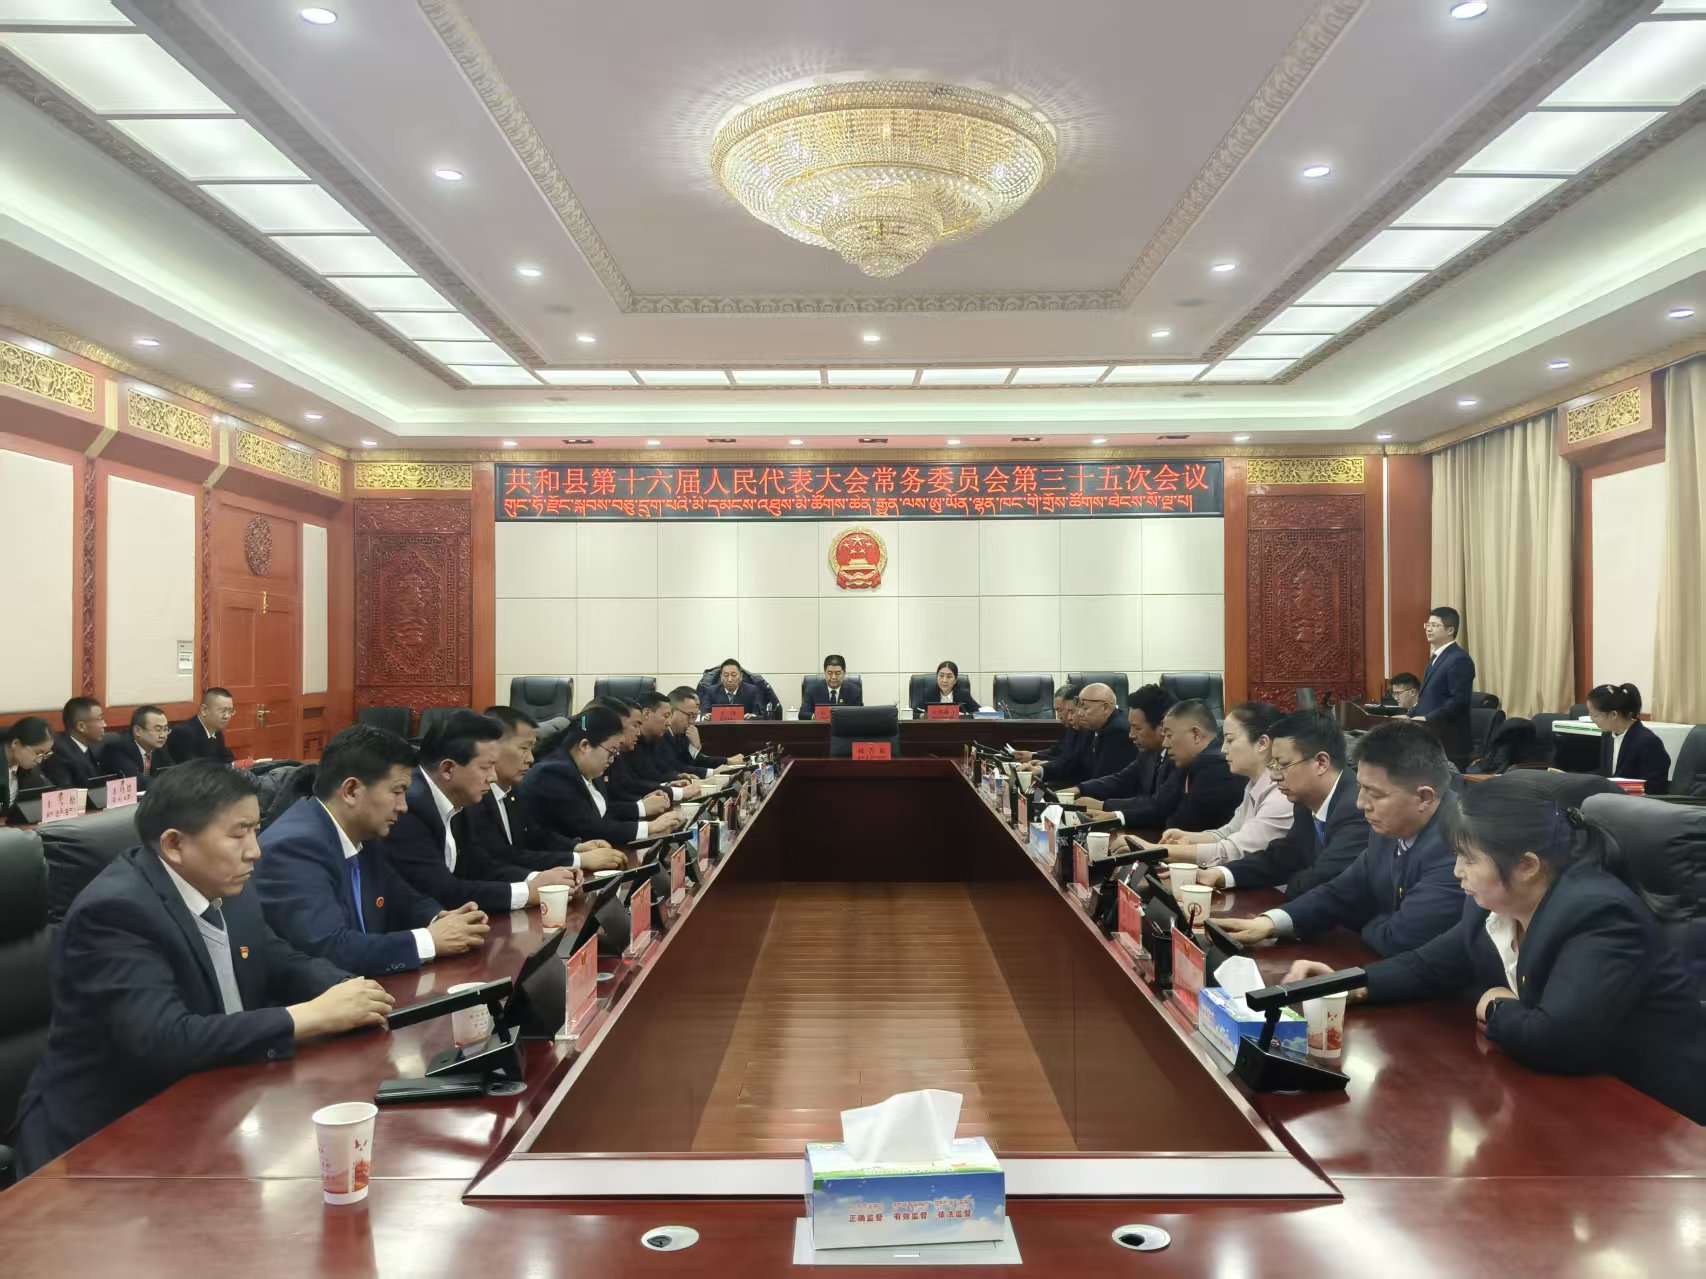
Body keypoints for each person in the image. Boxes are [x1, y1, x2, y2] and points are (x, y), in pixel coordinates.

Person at [10, 764, 393, 1177]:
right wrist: (308, 1016)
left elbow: (277, 958)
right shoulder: (115, 913)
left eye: (256, 830)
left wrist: (349, 992)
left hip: (213, 1105)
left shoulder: (227, 884)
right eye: (238, 835)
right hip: (102, 1142)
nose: (255, 850)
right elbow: (164, 1039)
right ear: (174, 844)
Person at [1283, 772, 1706, 1124]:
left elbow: (1557, 1040)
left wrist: (1495, 1006)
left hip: (1653, 1115)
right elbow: (1429, 965)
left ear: (1526, 865)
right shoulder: (1494, 904)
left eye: (1468, 859)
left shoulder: (1598, 914)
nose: (1457, 872)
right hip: (1570, 1095)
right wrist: (1345, 985)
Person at [255, 724, 490, 977]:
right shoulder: (294, 848)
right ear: (351, 791)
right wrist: (429, 941)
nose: (403, 806)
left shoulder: (364, 834)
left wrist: (441, 919)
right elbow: (330, 948)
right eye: (397, 791)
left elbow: (401, 897)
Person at [1217, 720, 1464, 957]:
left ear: (1424, 798)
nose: (1361, 803)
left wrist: (1364, 922)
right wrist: (1271, 922)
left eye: (1375, 794)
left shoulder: (1458, 847)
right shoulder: (1390, 825)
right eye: (1360, 788)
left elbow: (1399, 939)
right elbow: (1341, 890)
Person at [379, 710, 581, 916]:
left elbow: (481, 866)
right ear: (448, 769)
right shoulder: (408, 808)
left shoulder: (459, 798)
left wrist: (539, 879)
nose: (492, 777)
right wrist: (528, 892)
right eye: (486, 767)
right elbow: (443, 891)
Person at [1195, 709, 1371, 897]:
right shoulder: (1304, 801)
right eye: (1273, 765)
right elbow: (1285, 857)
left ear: (1321, 762)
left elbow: (1325, 878)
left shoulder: (1357, 807)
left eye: (1284, 765)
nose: (1274, 776)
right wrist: (1220, 874)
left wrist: (1286, 893)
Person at [470, 706, 627, 873]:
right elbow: (503, 857)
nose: (530, 759)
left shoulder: (513, 791)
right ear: (492, 748)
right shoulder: (475, 799)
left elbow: (536, 835)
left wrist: (577, 847)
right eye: (524, 748)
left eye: (531, 749)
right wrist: (579, 860)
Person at [516, 705, 682, 848]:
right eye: (611, 751)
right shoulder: (554, 773)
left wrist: (642, 807)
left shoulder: (588, 769)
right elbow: (589, 829)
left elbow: (602, 812)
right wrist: (650, 827)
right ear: (585, 746)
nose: (613, 759)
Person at [1153, 701, 1294, 868]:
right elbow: (1228, 832)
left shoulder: (1282, 794)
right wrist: (1188, 837)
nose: (1223, 749)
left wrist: (1154, 850)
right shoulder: (1254, 784)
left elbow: (1235, 850)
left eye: (1230, 740)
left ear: (1262, 743)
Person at [1087, 699, 1242, 832]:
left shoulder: (1215, 768)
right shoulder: (1190, 762)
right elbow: (1162, 805)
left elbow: (1178, 825)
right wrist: (1114, 816)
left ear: (1196, 735)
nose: (1165, 744)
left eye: (1169, 735)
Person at [1078, 685, 1171, 811]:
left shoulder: (1178, 759)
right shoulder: (1148, 753)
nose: (1131, 735)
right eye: (1130, 726)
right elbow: (1121, 780)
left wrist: (1103, 806)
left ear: (1162, 727)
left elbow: (1157, 804)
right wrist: (1080, 789)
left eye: (1137, 728)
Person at [1411, 607, 1475, 767]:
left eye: (1434, 625)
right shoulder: (1437, 657)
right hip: (1430, 738)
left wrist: (1428, 719)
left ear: (1450, 630)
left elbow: (1459, 700)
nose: (1429, 629)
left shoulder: (1459, 659)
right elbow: (1427, 699)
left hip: (1449, 741)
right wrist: (1409, 716)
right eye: (1428, 625)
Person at [1038, 683, 1133, 786]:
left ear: (1105, 708)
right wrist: (1041, 770)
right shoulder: (1091, 727)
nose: (1080, 713)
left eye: (1085, 708)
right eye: (1079, 708)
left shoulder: (1117, 732)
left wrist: (1078, 790)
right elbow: (1074, 761)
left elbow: (1105, 779)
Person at [1587, 682, 1671, 794]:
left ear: (1613, 715)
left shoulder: (1648, 741)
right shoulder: (1607, 736)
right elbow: (1606, 773)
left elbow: (1656, 786)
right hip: (1612, 798)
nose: (1592, 720)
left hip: (1636, 801)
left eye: (1595, 715)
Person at [664, 687, 744, 773]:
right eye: (691, 714)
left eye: (695, 715)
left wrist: (695, 748)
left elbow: (689, 762)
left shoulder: (681, 732)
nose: (692, 721)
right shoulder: (660, 733)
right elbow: (675, 766)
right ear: (672, 711)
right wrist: (712, 772)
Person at [105, 705, 175, 790]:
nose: (163, 735)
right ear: (138, 731)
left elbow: (174, 774)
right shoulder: (119, 749)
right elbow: (137, 782)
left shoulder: (159, 748)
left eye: (165, 729)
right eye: (158, 730)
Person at [43, 696, 106, 789]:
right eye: (100, 719)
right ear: (81, 726)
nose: (104, 724)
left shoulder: (94, 745)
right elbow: (66, 792)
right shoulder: (59, 753)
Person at [167, 688, 236, 765]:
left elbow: (228, 759)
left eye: (230, 711)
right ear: (204, 710)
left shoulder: (216, 731)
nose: (227, 716)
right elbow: (193, 768)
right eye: (223, 711)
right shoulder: (183, 733)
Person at [5, 716, 54, 814]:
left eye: (45, 755)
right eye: (37, 753)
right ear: (15, 744)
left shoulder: (28, 769)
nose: (39, 761)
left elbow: (48, 792)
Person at [800, 654, 862, 719]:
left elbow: (860, 715)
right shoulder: (812, 689)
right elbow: (803, 714)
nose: (833, 677)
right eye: (830, 673)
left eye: (838, 673)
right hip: (820, 725)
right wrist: (817, 716)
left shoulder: (855, 691)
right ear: (825, 672)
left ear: (844, 673)